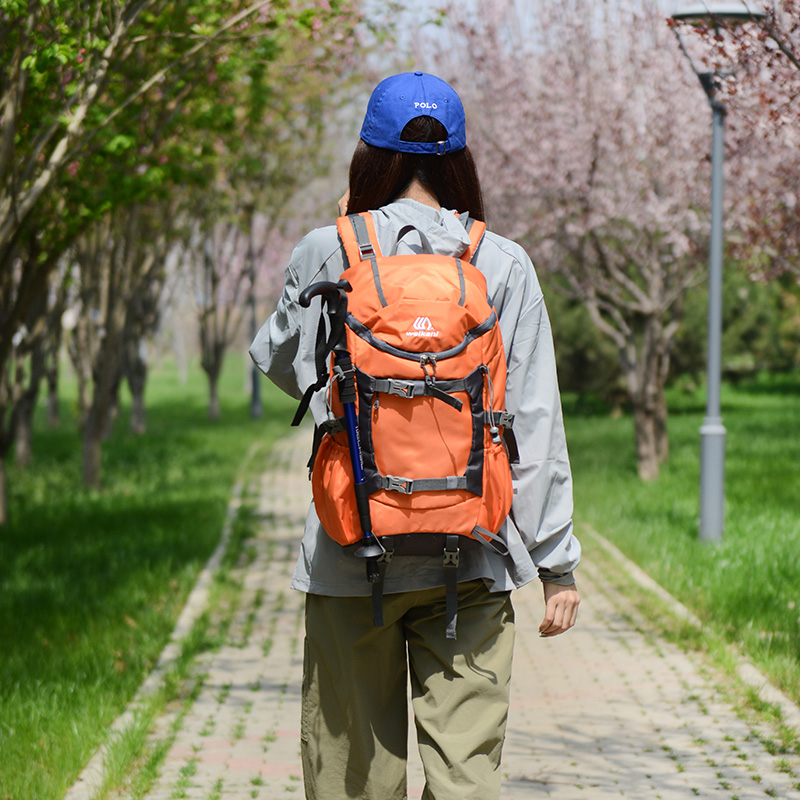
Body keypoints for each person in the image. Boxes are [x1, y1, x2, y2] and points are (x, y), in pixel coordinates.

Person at [250, 71, 581, 800]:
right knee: (468, 777)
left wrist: (337, 236)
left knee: (351, 780)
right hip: (474, 557)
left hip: (348, 552)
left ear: (368, 155)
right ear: (459, 159)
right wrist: (556, 564)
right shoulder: (503, 263)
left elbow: (277, 362)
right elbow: (534, 423)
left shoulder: (326, 250)